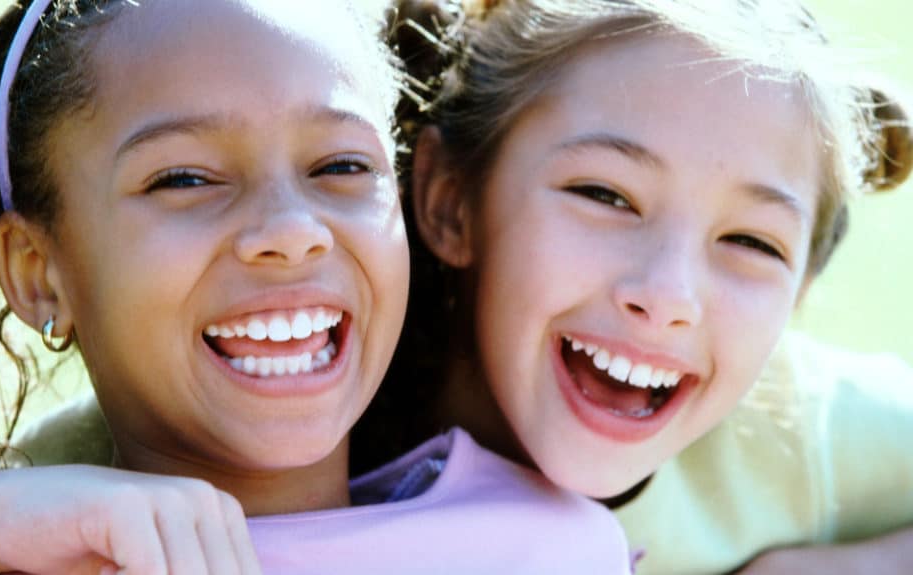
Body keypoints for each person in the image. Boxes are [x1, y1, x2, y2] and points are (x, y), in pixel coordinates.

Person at [0, 0, 631, 573]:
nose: (291, 228)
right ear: (38, 273)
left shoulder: (554, 545)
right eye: (184, 178)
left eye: (341, 165)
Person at [350, 0, 913, 572]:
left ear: (800, 292)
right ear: (452, 202)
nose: (668, 296)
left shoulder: (795, 436)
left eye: (752, 242)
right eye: (605, 196)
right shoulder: (308, 420)